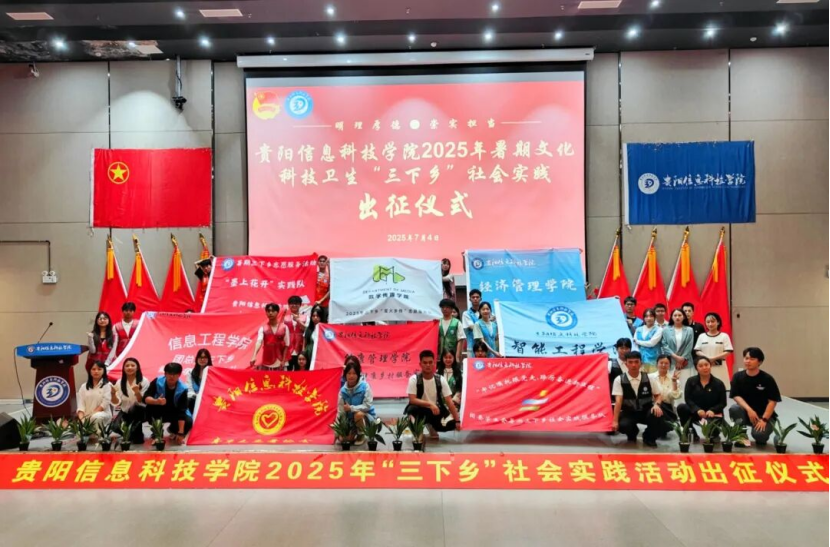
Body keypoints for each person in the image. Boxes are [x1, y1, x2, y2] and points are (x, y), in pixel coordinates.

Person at [729, 347, 782, 448]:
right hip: (746, 413)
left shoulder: (767, 379)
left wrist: (764, 419)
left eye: (752, 359)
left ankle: (762, 433)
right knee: (735, 408)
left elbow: (772, 401)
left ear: (760, 362)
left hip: (763, 416)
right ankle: (741, 436)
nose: (748, 361)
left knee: (760, 437)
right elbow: (736, 396)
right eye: (746, 358)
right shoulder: (737, 377)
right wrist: (749, 410)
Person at [612, 351, 664, 447]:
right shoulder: (619, 380)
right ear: (626, 364)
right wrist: (614, 421)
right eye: (630, 362)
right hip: (629, 412)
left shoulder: (649, 378)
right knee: (623, 426)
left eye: (636, 362)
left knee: (657, 414)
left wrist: (657, 405)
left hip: (646, 410)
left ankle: (648, 437)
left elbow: (658, 395)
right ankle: (633, 433)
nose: (633, 365)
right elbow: (618, 401)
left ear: (641, 363)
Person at [406, 350, 462, 440]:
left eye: (430, 362)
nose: (428, 365)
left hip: (435, 411)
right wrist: (430, 404)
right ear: (420, 364)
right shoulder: (414, 379)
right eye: (425, 363)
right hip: (419, 410)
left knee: (451, 424)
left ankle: (431, 425)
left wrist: (457, 420)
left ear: (434, 363)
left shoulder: (440, 379)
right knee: (412, 409)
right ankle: (418, 430)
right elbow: (412, 400)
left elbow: (449, 401)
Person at [677, 357, 728, 442]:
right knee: (681, 407)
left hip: (712, 415)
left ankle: (714, 434)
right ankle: (691, 433)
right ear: (696, 368)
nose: (704, 368)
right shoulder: (691, 381)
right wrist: (697, 410)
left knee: (711, 436)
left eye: (706, 365)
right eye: (700, 366)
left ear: (710, 365)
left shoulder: (719, 383)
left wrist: (712, 410)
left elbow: (723, 403)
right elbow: (688, 399)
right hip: (697, 412)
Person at [144, 362, 192, 443]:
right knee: (150, 408)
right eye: (169, 373)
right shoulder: (157, 381)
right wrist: (156, 401)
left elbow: (182, 411)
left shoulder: (183, 389)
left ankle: (172, 429)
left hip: (175, 411)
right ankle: (157, 431)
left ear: (179, 375)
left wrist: (181, 433)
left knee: (188, 421)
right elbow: (145, 398)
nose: (172, 376)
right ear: (165, 374)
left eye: (175, 374)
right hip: (158, 409)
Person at [109, 357, 149, 444]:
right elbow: (117, 402)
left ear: (137, 368)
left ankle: (135, 434)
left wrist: (137, 392)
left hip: (140, 411)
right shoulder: (119, 382)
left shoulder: (144, 381)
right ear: (123, 368)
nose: (130, 367)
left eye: (132, 365)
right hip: (125, 412)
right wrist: (113, 394)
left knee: (137, 439)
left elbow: (142, 401)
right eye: (127, 366)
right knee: (115, 427)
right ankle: (130, 433)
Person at [337, 360, 377, 445]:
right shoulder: (342, 391)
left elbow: (367, 406)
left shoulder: (365, 386)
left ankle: (361, 434)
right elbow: (341, 412)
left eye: (354, 373)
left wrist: (351, 408)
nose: (351, 376)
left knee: (358, 414)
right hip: (351, 421)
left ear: (358, 375)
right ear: (345, 375)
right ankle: (353, 432)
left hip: (366, 418)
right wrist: (340, 429)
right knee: (343, 439)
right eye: (349, 373)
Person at [694, 312, 734, 389]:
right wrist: (707, 358)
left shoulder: (724, 336)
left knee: (722, 387)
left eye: (712, 321)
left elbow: (728, 351)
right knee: (705, 386)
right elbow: (697, 351)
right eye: (708, 322)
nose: (710, 324)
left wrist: (713, 358)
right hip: (705, 366)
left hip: (720, 366)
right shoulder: (702, 336)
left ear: (718, 322)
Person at [250, 303, 290, 370]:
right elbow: (259, 342)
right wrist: (254, 356)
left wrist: (283, 360)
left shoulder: (284, 327)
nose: (270, 313)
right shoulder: (263, 328)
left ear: (277, 312)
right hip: (267, 360)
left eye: (273, 311)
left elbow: (287, 345)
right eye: (268, 311)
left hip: (281, 362)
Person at [661, 308, 695, 388]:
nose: (677, 317)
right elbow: (664, 345)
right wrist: (676, 358)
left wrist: (682, 359)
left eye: (680, 315)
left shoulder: (689, 330)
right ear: (671, 317)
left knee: (686, 385)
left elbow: (689, 346)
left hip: (686, 362)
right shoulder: (666, 330)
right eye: (675, 315)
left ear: (684, 317)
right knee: (672, 386)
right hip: (671, 362)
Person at [77, 360, 113, 431]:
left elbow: (104, 404)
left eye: (99, 369)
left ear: (104, 371)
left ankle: (100, 435)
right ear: (89, 371)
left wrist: (90, 417)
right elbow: (81, 405)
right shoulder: (83, 387)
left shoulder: (108, 385)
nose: (96, 371)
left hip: (103, 415)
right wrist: (82, 419)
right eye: (93, 369)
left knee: (96, 417)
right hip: (87, 417)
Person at [650, 354, 682, 424]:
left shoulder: (674, 379)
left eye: (666, 363)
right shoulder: (649, 377)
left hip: (667, 407)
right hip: (653, 405)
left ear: (670, 365)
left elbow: (675, 397)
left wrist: (674, 382)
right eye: (661, 363)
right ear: (657, 364)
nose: (663, 365)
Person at [634, 308, 663, 374]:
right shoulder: (638, 329)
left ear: (655, 317)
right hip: (640, 360)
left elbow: (651, 343)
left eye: (651, 316)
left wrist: (638, 342)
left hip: (653, 359)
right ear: (644, 318)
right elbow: (635, 344)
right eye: (646, 316)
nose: (649, 318)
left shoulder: (659, 329)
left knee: (652, 378)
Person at [285, 295, 308, 371]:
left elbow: (307, 330)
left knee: (299, 370)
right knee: (288, 371)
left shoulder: (305, 317)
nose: (294, 305)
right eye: (292, 303)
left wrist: (298, 320)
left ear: (300, 305)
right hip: (288, 349)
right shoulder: (284, 317)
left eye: (296, 303)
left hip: (300, 347)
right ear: (289, 305)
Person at [438, 298, 464, 363]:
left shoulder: (457, 322)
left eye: (447, 307)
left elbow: (460, 340)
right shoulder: (438, 322)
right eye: (443, 307)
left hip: (453, 355)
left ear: (452, 309)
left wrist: (457, 356)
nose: (444, 309)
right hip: (440, 355)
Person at [609, 338, 632, 405]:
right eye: (621, 348)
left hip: (632, 401)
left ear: (630, 349)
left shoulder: (635, 364)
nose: (624, 351)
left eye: (626, 348)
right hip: (615, 401)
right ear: (617, 349)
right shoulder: (610, 364)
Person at [461, 289, 482, 357]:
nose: (475, 299)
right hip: (472, 346)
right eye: (473, 297)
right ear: (470, 299)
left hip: (485, 347)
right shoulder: (466, 314)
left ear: (481, 299)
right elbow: (472, 327)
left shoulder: (486, 312)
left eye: (477, 297)